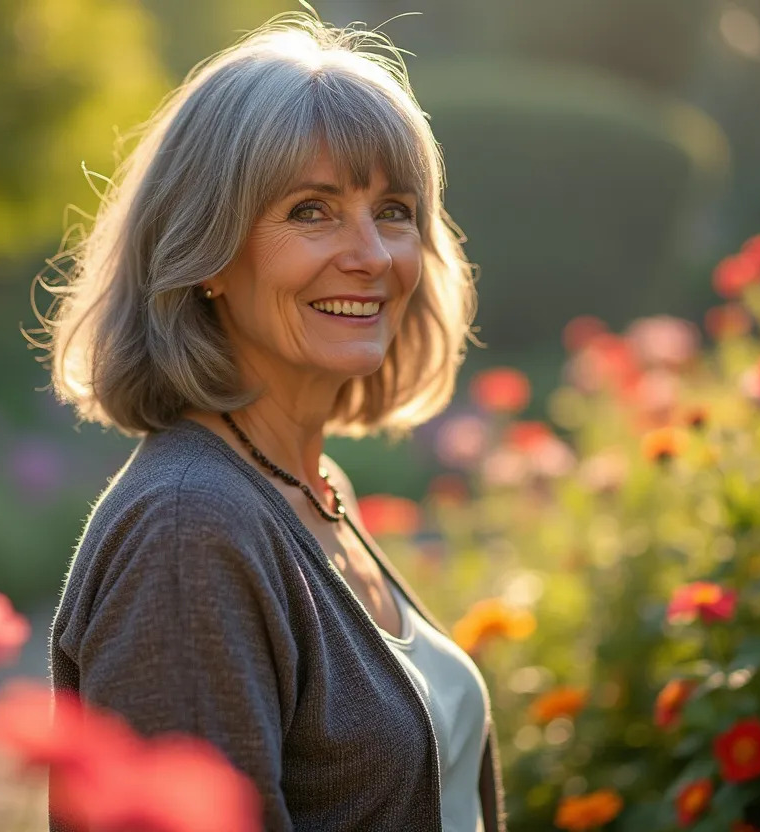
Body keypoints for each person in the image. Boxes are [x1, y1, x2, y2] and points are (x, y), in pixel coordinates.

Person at [42, 13, 506, 832]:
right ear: (208, 252)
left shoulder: (313, 491)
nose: (370, 254)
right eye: (312, 211)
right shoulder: (190, 531)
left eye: (393, 210)